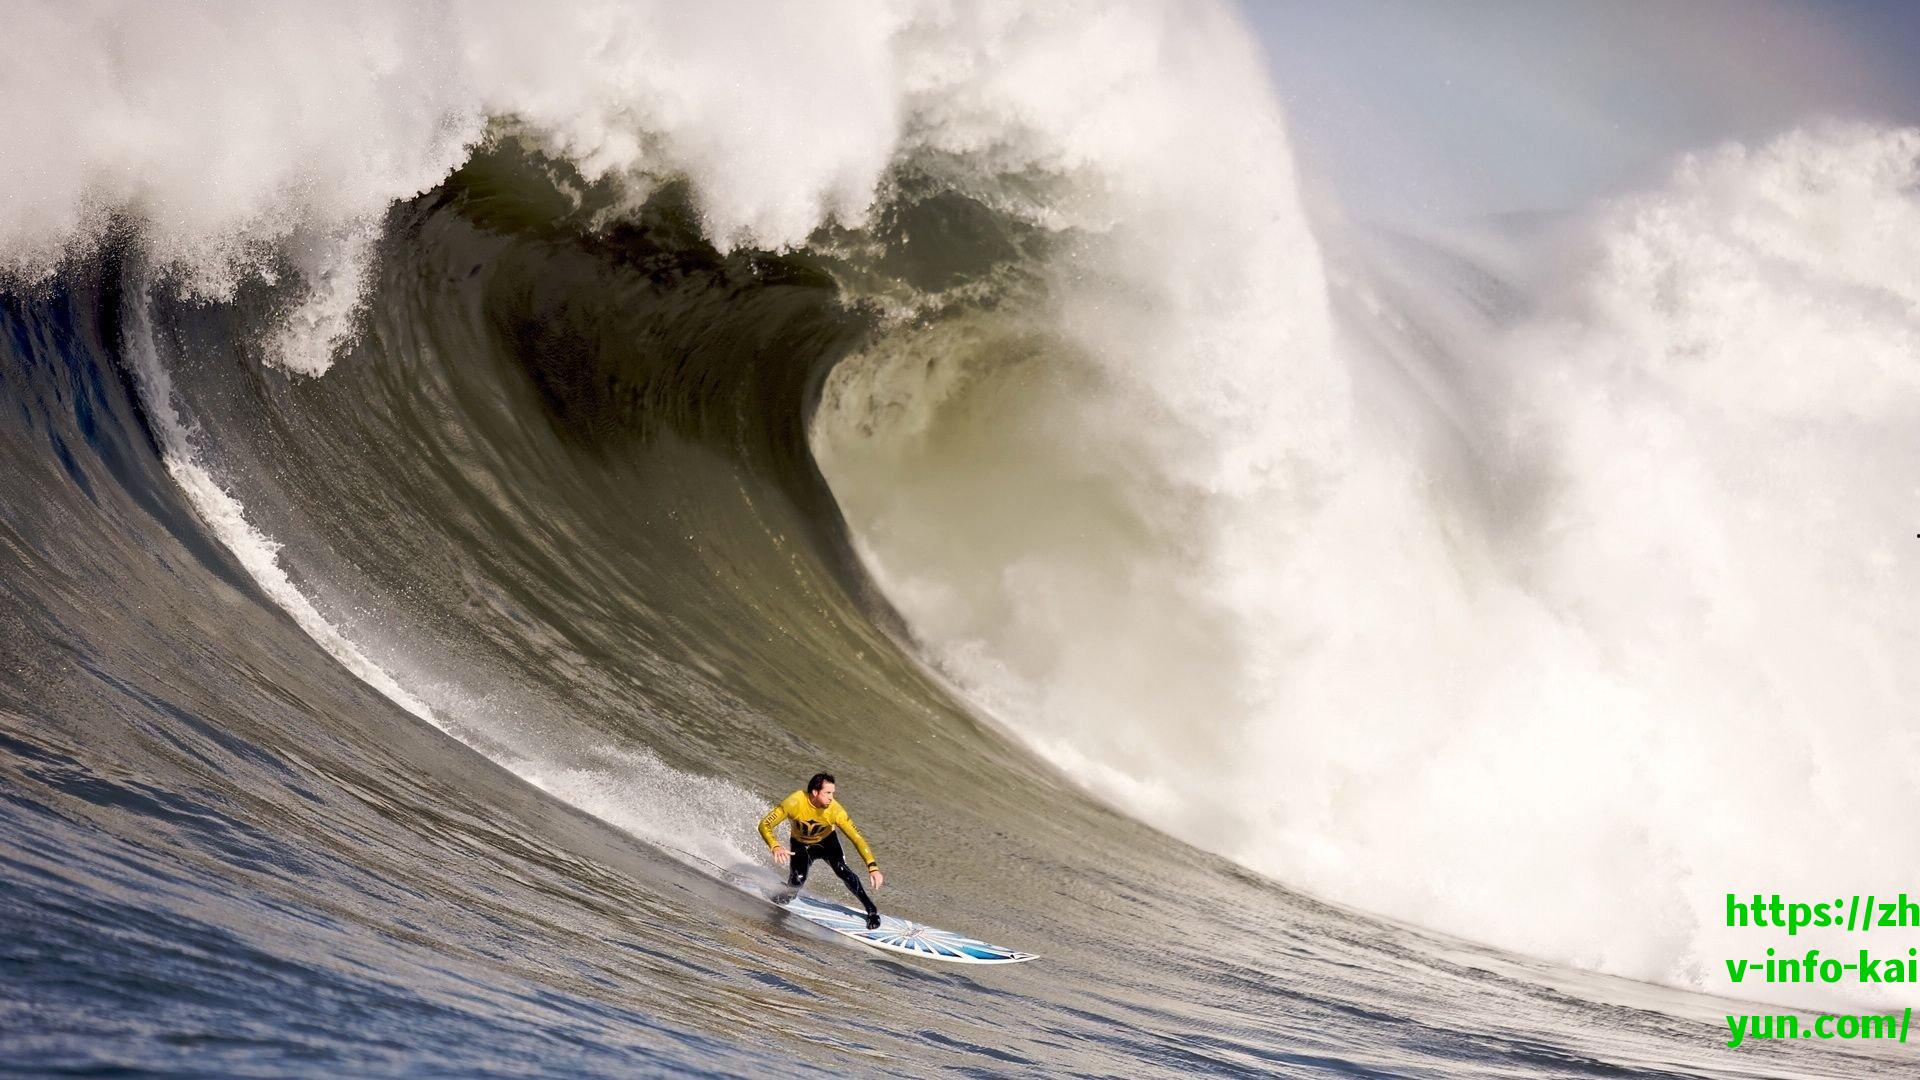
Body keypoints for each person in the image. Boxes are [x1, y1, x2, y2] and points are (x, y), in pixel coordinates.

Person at [758, 772, 885, 929]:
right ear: (815, 792)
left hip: (827, 843)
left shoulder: (835, 811)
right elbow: (764, 824)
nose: (831, 797)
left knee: (842, 870)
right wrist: (775, 846)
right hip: (801, 844)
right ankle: (788, 892)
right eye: (828, 793)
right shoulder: (795, 802)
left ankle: (871, 910)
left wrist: (872, 867)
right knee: (797, 881)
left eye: (833, 793)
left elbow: (857, 838)